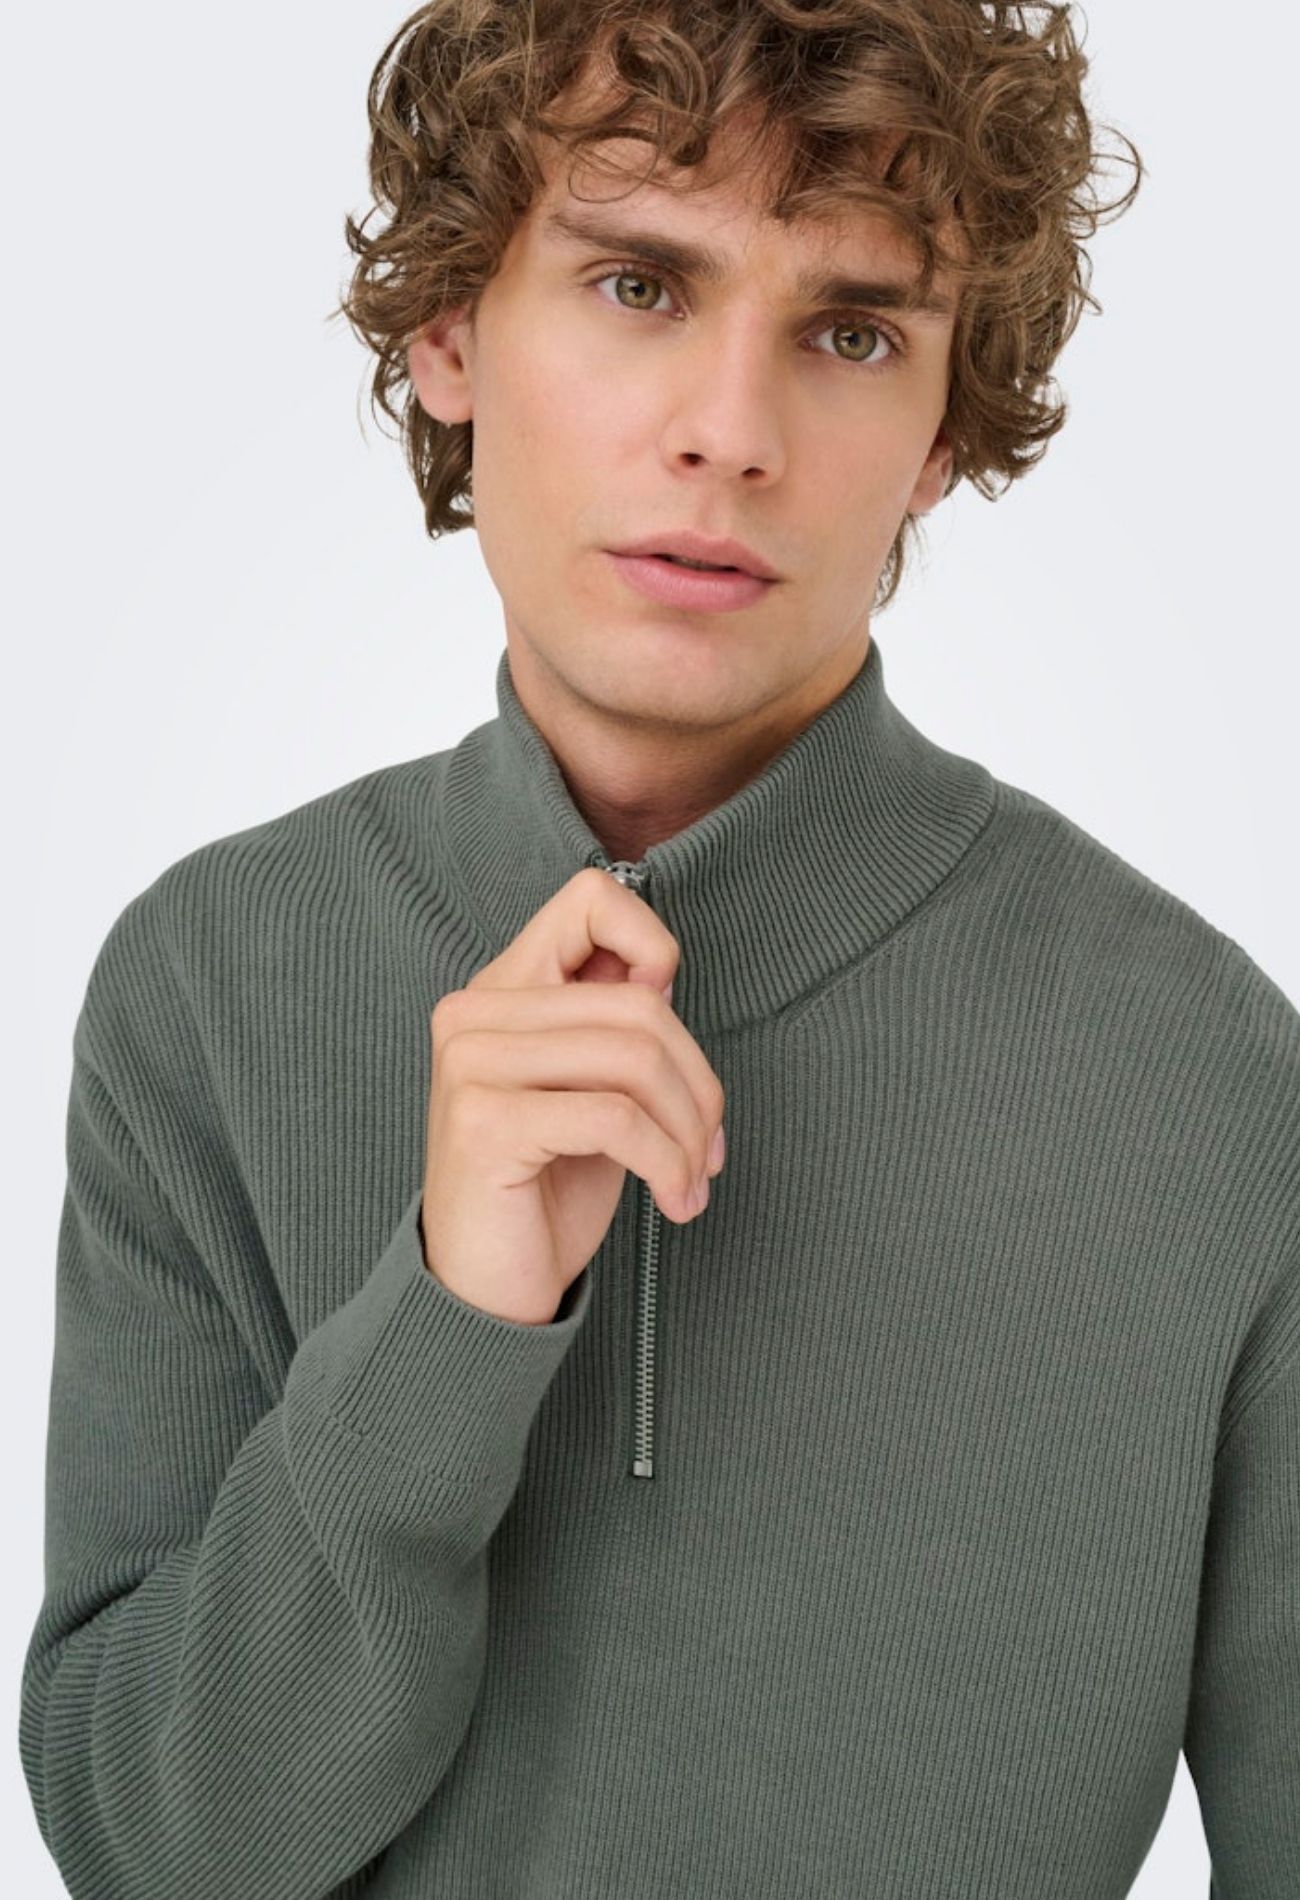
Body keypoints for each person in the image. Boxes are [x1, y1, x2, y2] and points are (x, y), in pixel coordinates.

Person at [18, 3, 1299, 1896]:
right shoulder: (209, 986)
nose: (731, 434)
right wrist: (450, 1322)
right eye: (638, 286)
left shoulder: (1211, 1081)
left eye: (850, 333)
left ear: (943, 434)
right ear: (450, 330)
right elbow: (152, 1854)